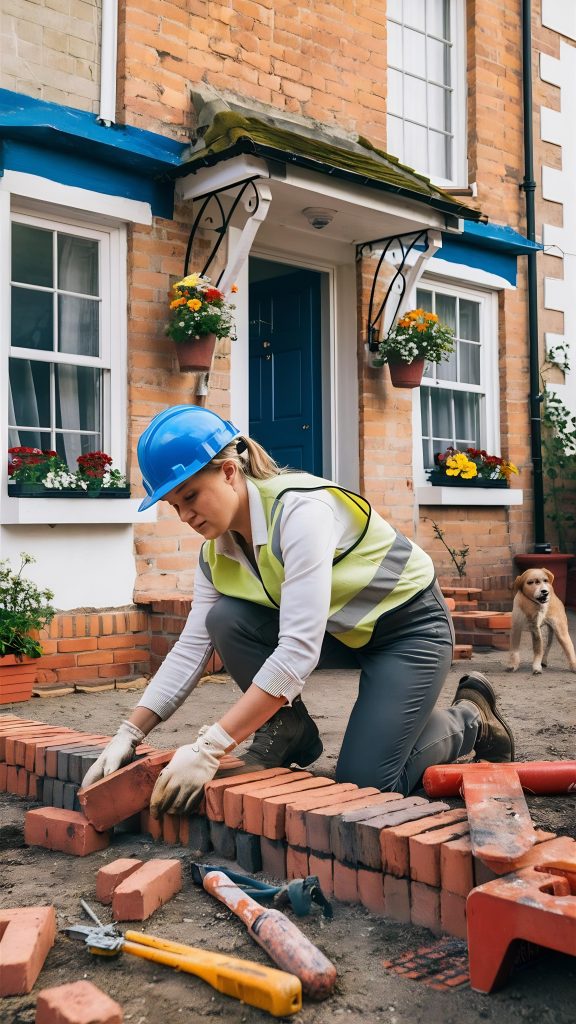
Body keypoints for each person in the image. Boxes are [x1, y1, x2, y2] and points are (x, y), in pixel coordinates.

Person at [82, 405, 515, 817]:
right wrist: (130, 732)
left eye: (190, 496)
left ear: (229, 472)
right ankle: (290, 730)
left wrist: (211, 746)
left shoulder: (300, 512)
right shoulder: (217, 553)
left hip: (408, 629)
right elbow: (191, 649)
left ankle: (472, 717)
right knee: (224, 620)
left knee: (363, 785)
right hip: (341, 630)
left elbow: (296, 654)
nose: (185, 516)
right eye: (175, 505)